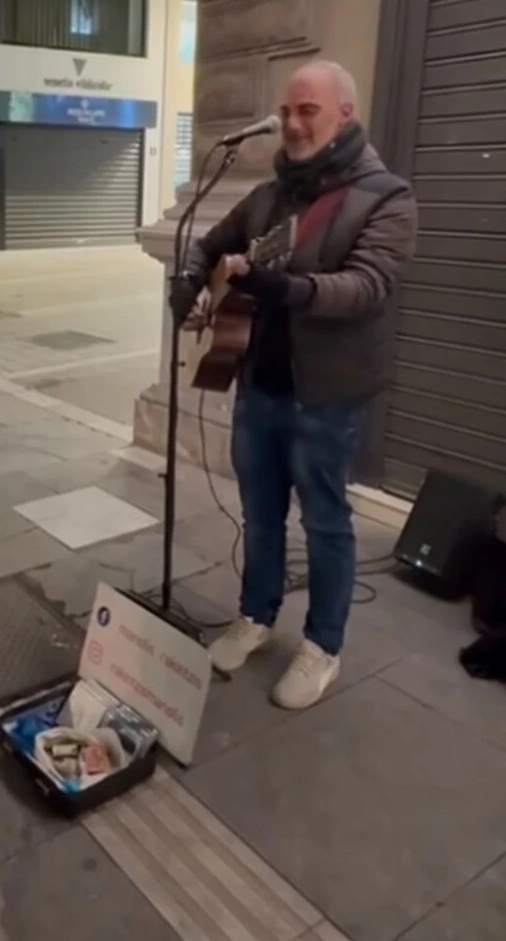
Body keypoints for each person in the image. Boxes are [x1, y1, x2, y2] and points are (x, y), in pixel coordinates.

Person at [171, 60, 417, 710]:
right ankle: (256, 613)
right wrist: (189, 279)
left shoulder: (387, 196)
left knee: (327, 522)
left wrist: (288, 288)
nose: (292, 123)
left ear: (344, 115)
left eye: (308, 110)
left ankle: (322, 646)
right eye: (287, 111)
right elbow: (209, 241)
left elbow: (367, 286)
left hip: (326, 396)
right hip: (260, 384)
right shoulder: (270, 194)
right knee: (258, 513)